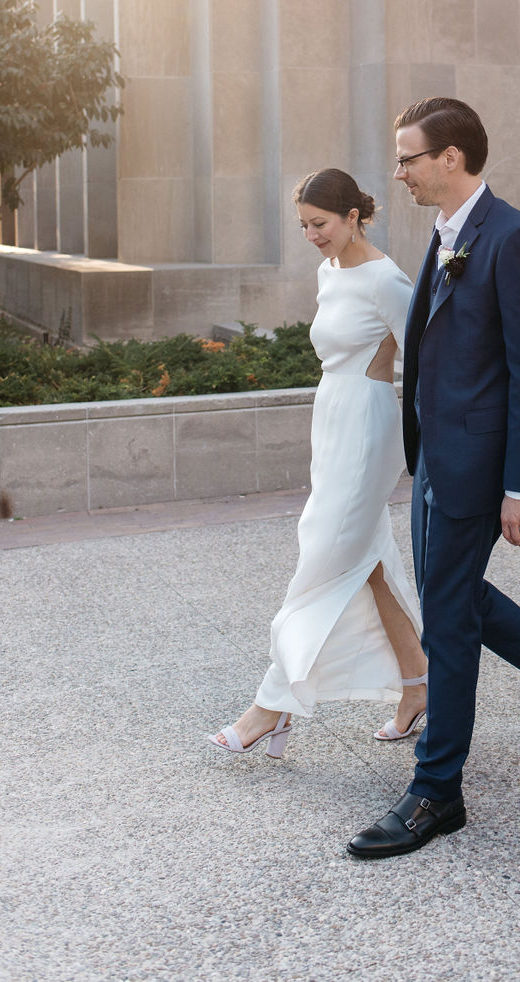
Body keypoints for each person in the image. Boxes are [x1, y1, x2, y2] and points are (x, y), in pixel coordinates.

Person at [347, 99, 520, 859]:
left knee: (447, 618)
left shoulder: (515, 238)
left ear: (452, 158)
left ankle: (437, 791)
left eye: (408, 158)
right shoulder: (443, 234)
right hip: (435, 454)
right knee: (449, 594)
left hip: (478, 466)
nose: (397, 172)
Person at [207, 168, 427, 761]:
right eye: (303, 225)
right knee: (367, 559)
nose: (311, 235)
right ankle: (418, 684)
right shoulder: (330, 272)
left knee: (321, 561)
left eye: (320, 223)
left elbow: (430, 361)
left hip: (367, 426)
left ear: (354, 216)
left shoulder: (388, 280)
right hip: (330, 419)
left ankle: (268, 710)